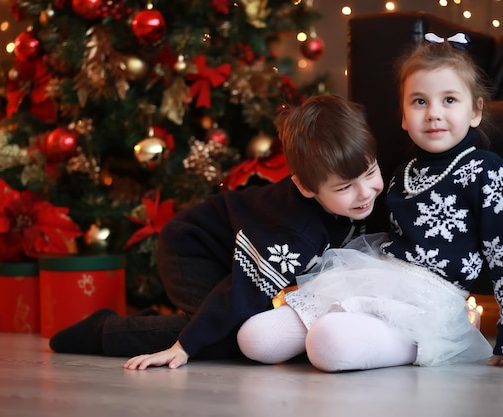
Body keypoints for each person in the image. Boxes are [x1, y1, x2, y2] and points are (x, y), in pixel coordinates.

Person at [237, 33, 503, 373]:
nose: (433, 113)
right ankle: (353, 327)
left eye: (449, 100)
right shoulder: (400, 173)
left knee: (328, 343)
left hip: (430, 304)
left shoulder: (486, 170)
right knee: (255, 339)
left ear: (475, 111)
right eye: (419, 102)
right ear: (403, 116)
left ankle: (396, 341)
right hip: (376, 275)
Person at [48, 93, 385, 370]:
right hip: (191, 246)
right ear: (305, 186)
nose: (365, 192)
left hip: (237, 247)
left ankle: (155, 326)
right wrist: (184, 346)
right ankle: (103, 332)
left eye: (370, 173)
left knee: (231, 328)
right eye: (345, 188)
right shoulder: (294, 233)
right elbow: (239, 293)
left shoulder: (356, 196)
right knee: (227, 336)